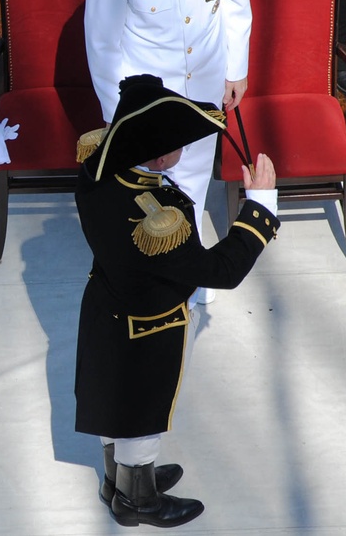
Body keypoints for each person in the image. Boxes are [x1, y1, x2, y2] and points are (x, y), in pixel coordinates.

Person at [73, 74, 280, 528]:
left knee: (115, 402)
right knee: (141, 415)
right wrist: (260, 208)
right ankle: (137, 501)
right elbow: (220, 272)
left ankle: (118, 480)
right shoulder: (161, 217)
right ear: (163, 153)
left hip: (103, 307)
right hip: (146, 327)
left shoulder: (96, 169)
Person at [84, 0, 252, 244]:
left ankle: (188, 273)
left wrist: (236, 69)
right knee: (145, 194)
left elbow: (235, 5)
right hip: (149, 102)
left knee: (193, 182)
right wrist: (117, 116)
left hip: (206, 88)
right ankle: (150, 276)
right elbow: (102, 47)